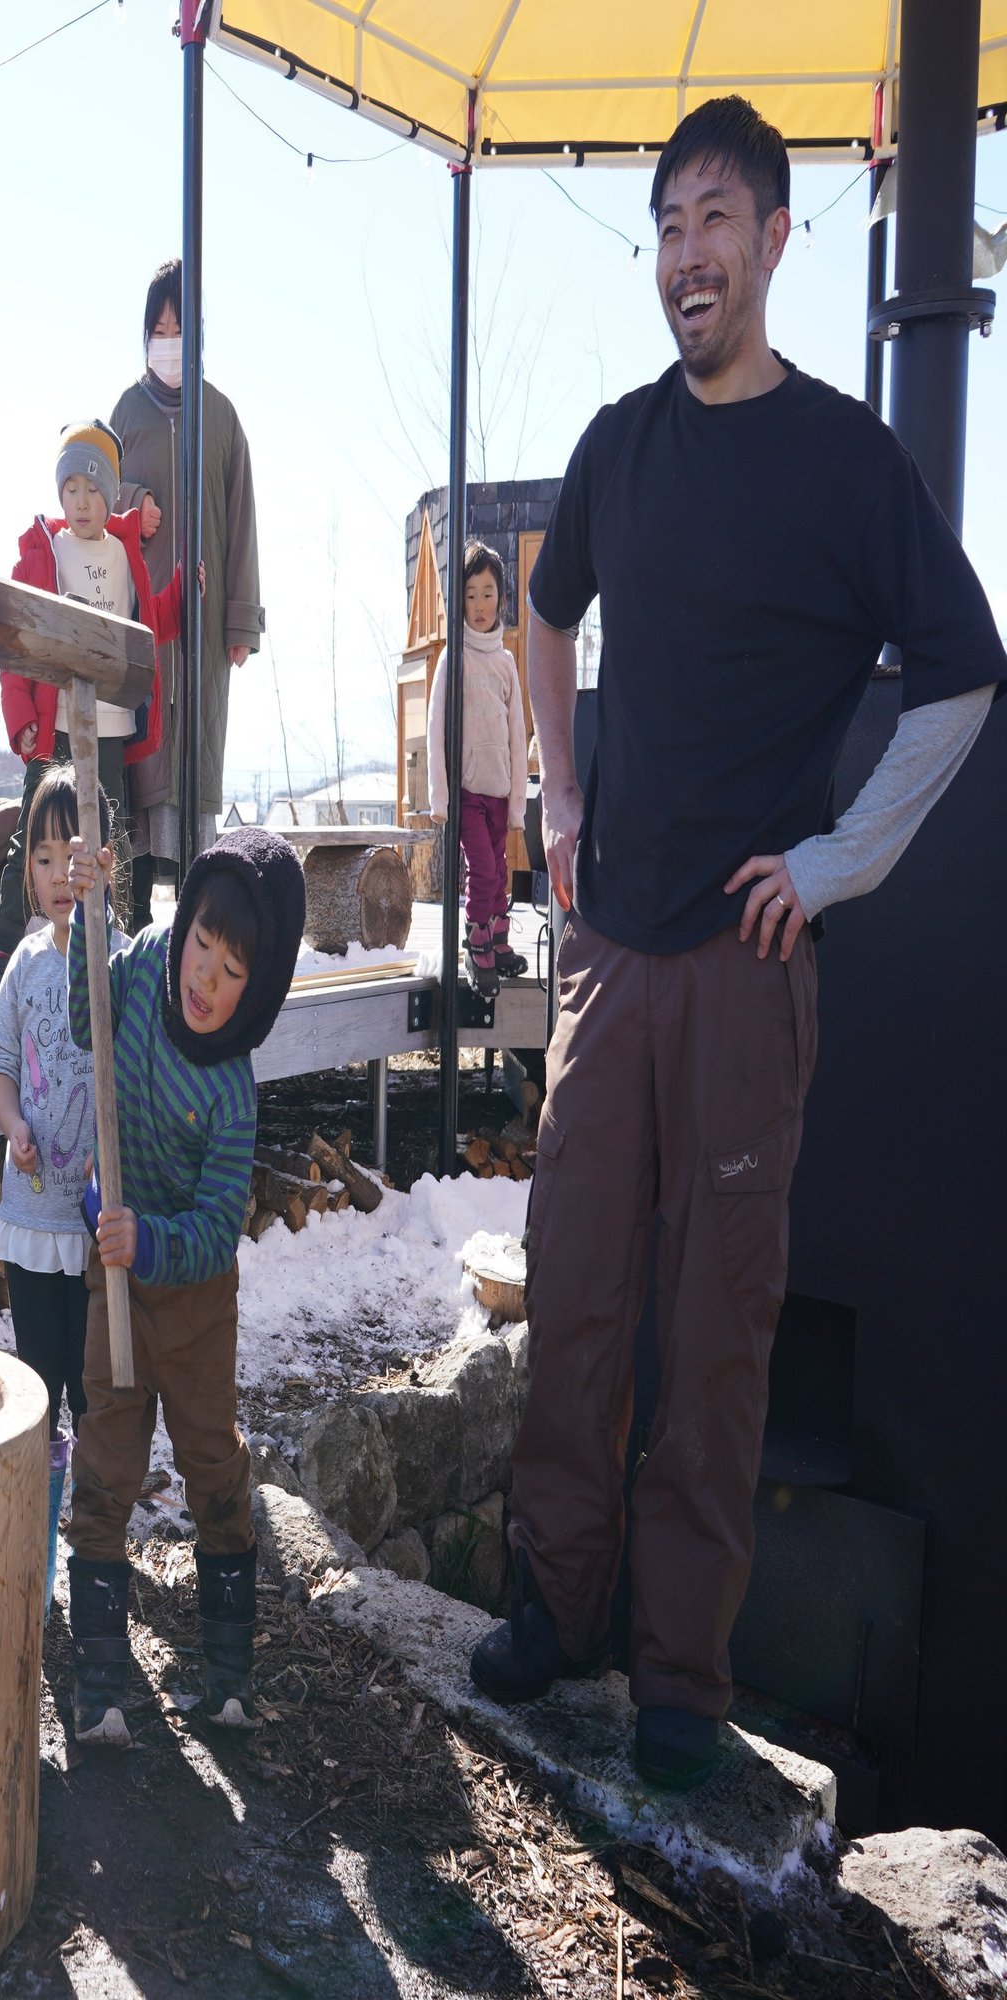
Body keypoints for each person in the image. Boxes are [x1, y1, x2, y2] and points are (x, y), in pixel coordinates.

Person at [469, 96, 1003, 1791]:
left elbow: (965, 669)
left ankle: (683, 1676)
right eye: (668, 226)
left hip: (749, 974)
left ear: (775, 241)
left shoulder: (847, 463)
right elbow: (546, 610)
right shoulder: (622, 447)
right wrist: (559, 795)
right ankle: (555, 1601)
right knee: (574, 1288)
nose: (687, 253)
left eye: (716, 220)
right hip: (608, 959)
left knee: (716, 1328)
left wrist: (839, 863)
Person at [63, 824, 304, 1748]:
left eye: (233, 969)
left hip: (194, 1302)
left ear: (259, 988)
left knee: (212, 1466)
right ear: (185, 923)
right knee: (106, 1464)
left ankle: (230, 1677)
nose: (205, 977)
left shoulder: (232, 1090)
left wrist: (148, 1240)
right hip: (116, 1283)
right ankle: (98, 1685)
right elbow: (85, 1021)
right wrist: (88, 912)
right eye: (203, 943)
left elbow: (213, 1231)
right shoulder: (141, 970)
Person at [0, 419, 181, 992]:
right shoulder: (42, 552)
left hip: (111, 727)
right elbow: (14, 645)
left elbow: (148, 628)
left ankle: (114, 958)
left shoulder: (124, 553)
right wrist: (21, 719)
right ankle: (3, 958)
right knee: (31, 838)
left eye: (94, 489)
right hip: (55, 727)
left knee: (110, 843)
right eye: (71, 488)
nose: (82, 501)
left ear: (111, 495)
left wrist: (185, 596)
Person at [0, 768, 114, 1606]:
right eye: (42, 856)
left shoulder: (119, 961)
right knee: (38, 1393)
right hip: (33, 1220)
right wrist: (12, 1124)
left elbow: (136, 1067)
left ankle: (97, 1547)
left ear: (106, 862)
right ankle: (40, 1543)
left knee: (93, 1392)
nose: (60, 873)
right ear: (26, 871)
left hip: (96, 1227)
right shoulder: (25, 965)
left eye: (76, 853)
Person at [110, 258, 264, 887]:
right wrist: (132, 502)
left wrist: (241, 623)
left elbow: (242, 522)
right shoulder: (125, 413)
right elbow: (90, 503)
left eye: (179, 329)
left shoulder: (220, 416)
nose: (167, 341)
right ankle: (139, 906)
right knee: (141, 761)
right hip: (142, 620)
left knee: (194, 760)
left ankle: (192, 911)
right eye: (158, 329)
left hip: (201, 626)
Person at [427, 540, 530, 998]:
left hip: (499, 791)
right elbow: (435, 726)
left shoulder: (505, 663)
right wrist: (440, 797)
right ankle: (476, 942)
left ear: (500, 598)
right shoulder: (454, 657)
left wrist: (517, 804)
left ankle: (498, 940)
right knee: (483, 871)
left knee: (500, 872)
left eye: (488, 593)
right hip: (467, 792)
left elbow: (517, 735)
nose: (480, 604)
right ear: (460, 602)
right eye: (470, 595)